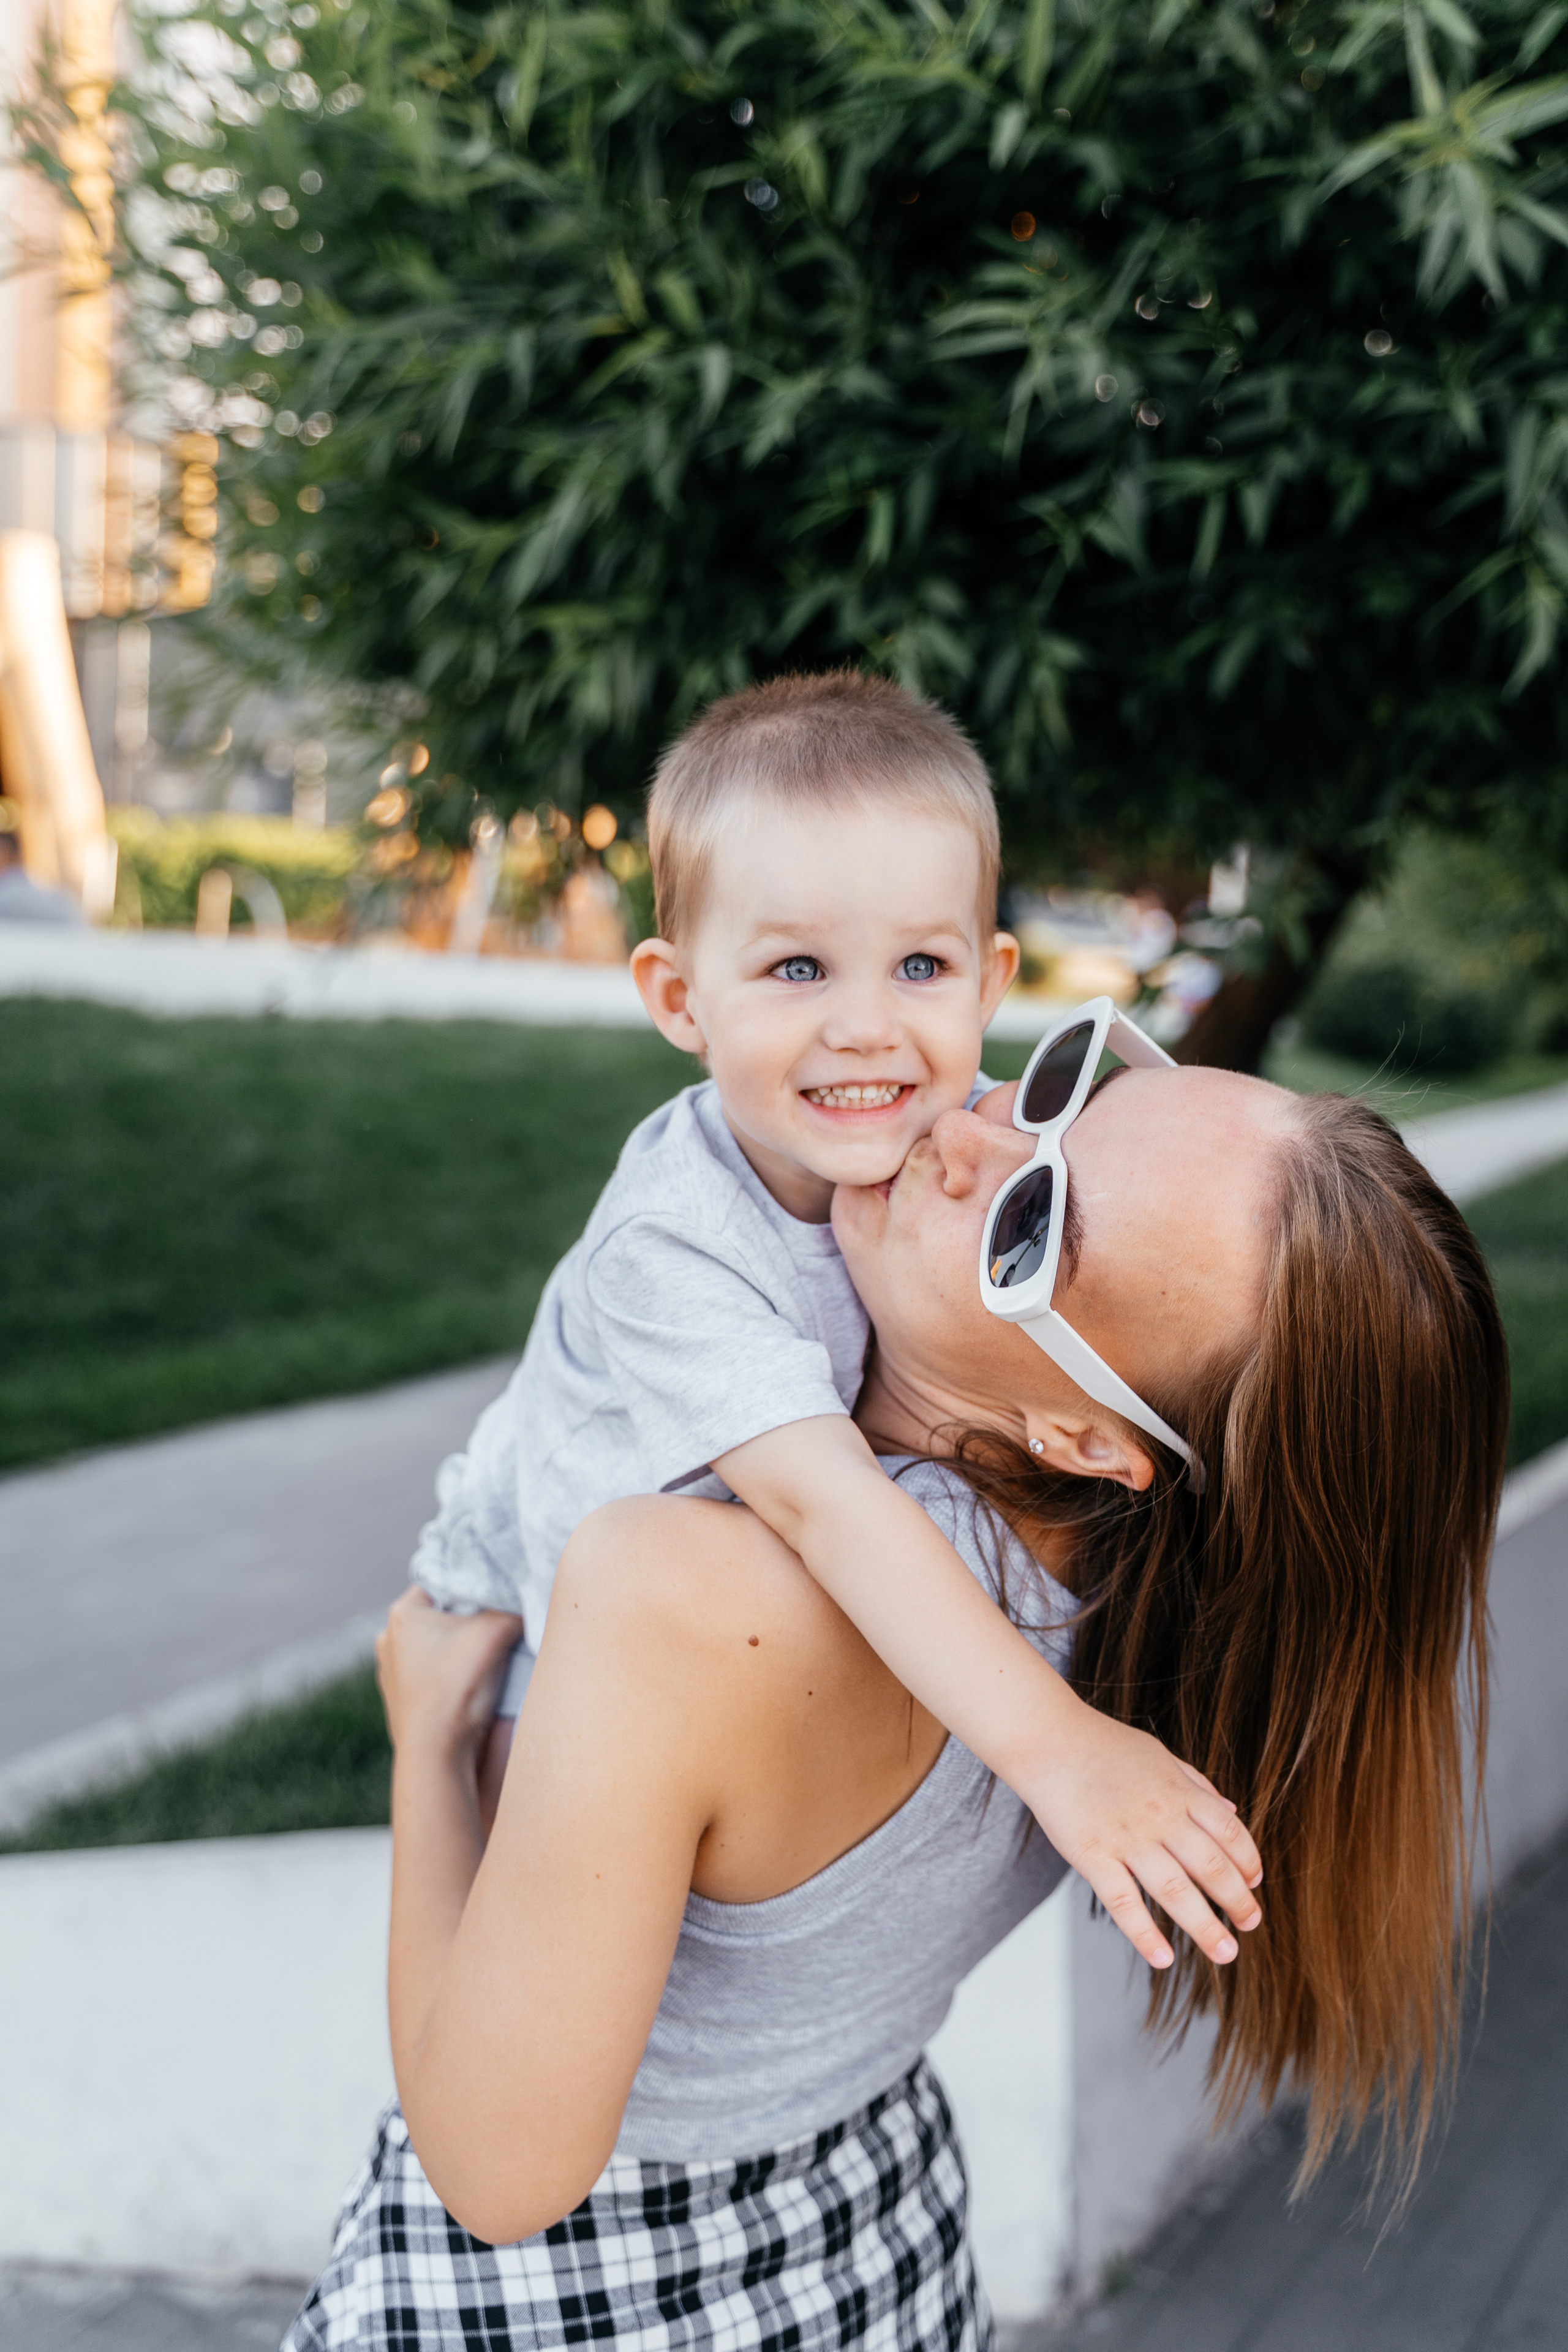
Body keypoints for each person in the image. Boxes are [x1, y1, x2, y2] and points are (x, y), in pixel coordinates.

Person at [284, 1057, 1506, 2352]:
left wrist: (426, 1740)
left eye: (1033, 1230)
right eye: (1059, 1090)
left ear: (1089, 1438)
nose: (964, 1140)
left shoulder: (695, 1597)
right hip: (879, 2240)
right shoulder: (1147, 1641)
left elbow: (493, 2173)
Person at [414, 673, 1250, 1974]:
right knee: (557, 1911)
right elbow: (820, 1504)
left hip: (712, 1589)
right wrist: (1061, 1752)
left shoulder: (952, 1132)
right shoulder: (673, 1241)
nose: (865, 1027)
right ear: (681, 1000)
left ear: (988, 982)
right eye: (795, 966)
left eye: (918, 965)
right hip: (534, 1614)